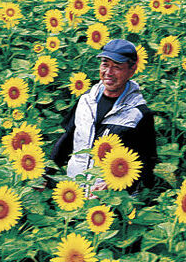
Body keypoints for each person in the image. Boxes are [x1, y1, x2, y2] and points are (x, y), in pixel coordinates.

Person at [51, 39, 157, 194]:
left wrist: (114, 185)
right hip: (74, 193)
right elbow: (68, 139)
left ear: (132, 69)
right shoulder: (86, 100)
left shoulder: (139, 113)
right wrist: (47, 174)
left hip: (111, 199)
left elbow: (145, 163)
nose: (109, 72)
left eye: (117, 67)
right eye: (105, 64)